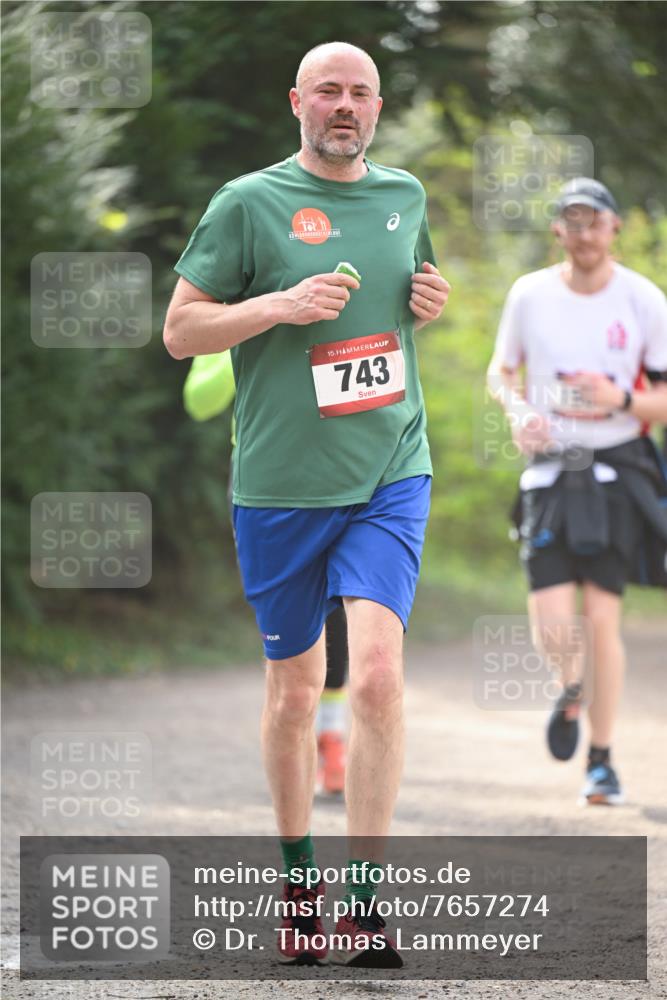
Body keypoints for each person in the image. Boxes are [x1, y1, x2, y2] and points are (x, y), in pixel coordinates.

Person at [163, 41, 450, 967]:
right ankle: (298, 889)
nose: (344, 105)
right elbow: (180, 331)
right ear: (297, 101)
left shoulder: (404, 196)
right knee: (293, 694)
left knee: (373, 677)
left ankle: (365, 904)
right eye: (328, 90)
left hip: (389, 471)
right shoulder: (248, 203)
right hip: (281, 487)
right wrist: (277, 306)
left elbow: (408, 302)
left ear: (376, 106)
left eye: (360, 93)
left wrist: (429, 302)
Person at [487, 177, 667, 806]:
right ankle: (571, 689)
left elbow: (664, 399)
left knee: (602, 618)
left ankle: (602, 758)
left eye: (595, 221)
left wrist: (616, 397)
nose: (584, 233)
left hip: (618, 469)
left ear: (614, 227)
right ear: (558, 230)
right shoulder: (529, 294)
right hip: (549, 471)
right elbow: (501, 371)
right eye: (572, 221)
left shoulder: (644, 300)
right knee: (554, 627)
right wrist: (516, 412)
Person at [183, 351, 349, 795]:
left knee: (342, 606)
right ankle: (294, 729)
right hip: (265, 480)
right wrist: (253, 327)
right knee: (293, 614)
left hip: (342, 469)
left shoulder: (327, 291)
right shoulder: (231, 306)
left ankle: (330, 735)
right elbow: (199, 400)